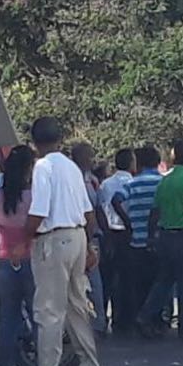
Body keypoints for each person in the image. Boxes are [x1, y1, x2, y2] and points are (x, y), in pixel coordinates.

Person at [25, 117, 105, 366]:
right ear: (60, 140)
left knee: (49, 308)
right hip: (78, 236)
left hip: (53, 237)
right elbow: (88, 212)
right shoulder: (71, 167)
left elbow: (39, 210)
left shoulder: (43, 167)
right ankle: (89, 365)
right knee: (76, 304)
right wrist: (91, 244)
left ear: (34, 143)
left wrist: (22, 239)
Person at [137, 139, 183, 340]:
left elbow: (155, 211)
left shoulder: (166, 180)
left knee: (164, 280)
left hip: (165, 236)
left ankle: (146, 315)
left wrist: (150, 236)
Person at [0, 145, 36, 366]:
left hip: (4, 262)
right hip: (32, 261)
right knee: (39, 318)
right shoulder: (34, 196)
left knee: (8, 319)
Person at [115, 145, 163, 335]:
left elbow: (116, 199)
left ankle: (138, 319)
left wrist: (128, 223)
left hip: (137, 240)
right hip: (158, 240)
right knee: (158, 283)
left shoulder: (132, 184)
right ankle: (155, 319)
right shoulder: (163, 182)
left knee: (140, 284)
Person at [71, 142, 108, 334]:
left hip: (91, 237)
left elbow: (98, 209)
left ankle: (99, 320)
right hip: (77, 235)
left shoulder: (92, 180)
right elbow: (90, 212)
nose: (92, 160)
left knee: (94, 282)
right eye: (89, 156)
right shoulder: (72, 178)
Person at [98, 149, 135, 334]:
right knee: (127, 278)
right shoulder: (132, 183)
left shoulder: (105, 184)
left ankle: (102, 318)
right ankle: (123, 319)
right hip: (127, 233)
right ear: (131, 163)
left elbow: (101, 208)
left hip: (109, 232)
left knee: (107, 278)